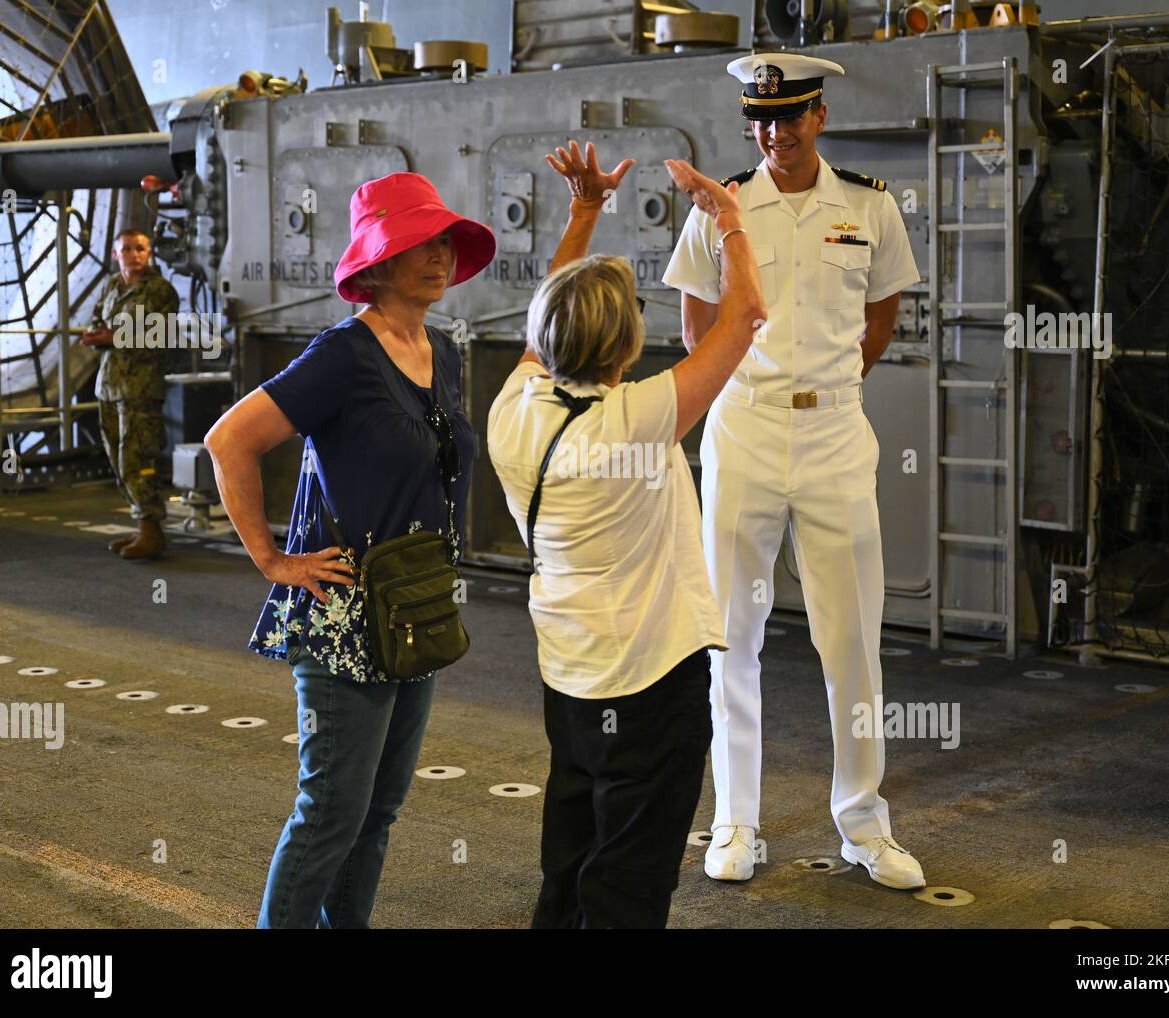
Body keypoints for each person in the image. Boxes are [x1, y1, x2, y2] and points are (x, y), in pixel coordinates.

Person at [661, 53, 926, 890]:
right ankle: (735, 822)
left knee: (851, 638)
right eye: (761, 119)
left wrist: (831, 389)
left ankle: (864, 824)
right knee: (729, 635)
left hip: (836, 436)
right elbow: (697, 321)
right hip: (743, 429)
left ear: (819, 117)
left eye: (790, 116)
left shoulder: (871, 208)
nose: (774, 133)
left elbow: (881, 315)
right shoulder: (723, 208)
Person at [203, 173, 495, 928]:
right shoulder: (343, 355)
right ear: (377, 261)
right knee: (333, 808)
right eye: (416, 245)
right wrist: (273, 560)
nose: (437, 257)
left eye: (442, 243)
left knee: (378, 811)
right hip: (342, 612)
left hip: (416, 605)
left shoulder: (442, 351)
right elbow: (229, 441)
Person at [487, 141, 765, 928]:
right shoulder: (636, 423)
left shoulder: (515, 408)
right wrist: (731, 220)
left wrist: (584, 213)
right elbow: (744, 318)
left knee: (571, 860)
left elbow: (551, 313)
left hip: (569, 675)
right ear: (625, 346)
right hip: (648, 686)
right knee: (631, 884)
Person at [79, 228, 178, 560]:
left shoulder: (160, 290)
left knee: (137, 457)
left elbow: (159, 334)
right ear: (115, 253)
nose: (134, 254)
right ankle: (141, 523)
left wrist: (113, 337)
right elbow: (96, 321)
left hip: (141, 388)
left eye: (140, 249)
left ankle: (152, 529)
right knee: (115, 455)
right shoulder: (111, 286)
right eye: (127, 249)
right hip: (109, 385)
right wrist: (97, 335)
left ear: (149, 253)